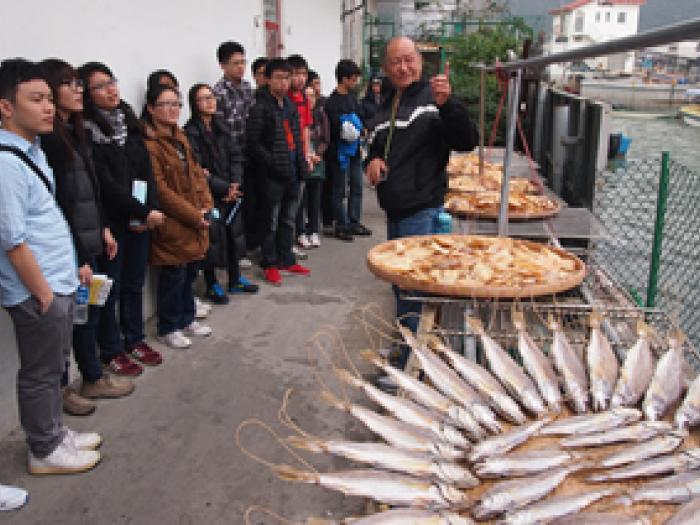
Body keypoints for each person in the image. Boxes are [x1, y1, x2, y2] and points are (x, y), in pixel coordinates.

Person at [0, 58, 101, 474]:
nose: (47, 107)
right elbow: (13, 240)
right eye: (36, 99)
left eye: (47, 98)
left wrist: (72, 267)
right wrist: (42, 292)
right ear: (6, 107)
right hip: (35, 289)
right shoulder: (6, 163)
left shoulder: (33, 150)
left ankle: (55, 432)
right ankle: (44, 449)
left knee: (54, 367)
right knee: (41, 373)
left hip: (57, 280)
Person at [365, 37, 479, 365]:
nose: (403, 67)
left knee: (414, 290)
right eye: (395, 62)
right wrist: (371, 161)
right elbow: (375, 143)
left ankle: (409, 364)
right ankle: (405, 346)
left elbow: (466, 141)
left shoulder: (433, 99)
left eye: (408, 59)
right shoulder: (386, 102)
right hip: (394, 207)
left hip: (422, 208)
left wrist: (449, 104)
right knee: (401, 286)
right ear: (386, 69)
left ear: (419, 61)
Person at [39, 59, 135, 415]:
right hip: (70, 248)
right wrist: (78, 254)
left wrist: (104, 229)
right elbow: (62, 203)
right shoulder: (49, 141)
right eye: (70, 84)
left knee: (90, 311)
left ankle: (93, 376)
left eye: (80, 84)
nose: (78, 90)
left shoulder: (73, 132)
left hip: (91, 237)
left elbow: (88, 192)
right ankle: (69, 386)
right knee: (74, 319)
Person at [78, 62, 165, 375]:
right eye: (100, 86)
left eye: (111, 82)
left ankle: (134, 338)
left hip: (138, 219)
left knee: (134, 283)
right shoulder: (86, 131)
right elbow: (106, 185)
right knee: (107, 291)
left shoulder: (128, 121)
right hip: (112, 223)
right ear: (87, 95)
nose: (110, 90)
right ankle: (111, 350)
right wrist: (141, 211)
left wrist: (147, 210)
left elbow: (145, 171)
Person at [142, 84, 214, 348]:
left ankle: (187, 318)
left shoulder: (180, 137)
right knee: (173, 274)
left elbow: (196, 174)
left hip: (195, 216)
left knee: (189, 270)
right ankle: (168, 326)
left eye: (176, 104)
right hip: (175, 219)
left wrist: (206, 207)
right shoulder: (150, 145)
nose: (173, 110)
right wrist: (193, 215)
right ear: (151, 109)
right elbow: (161, 190)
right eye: (166, 104)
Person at [185, 83, 258, 303]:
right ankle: (212, 283)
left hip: (230, 190)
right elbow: (198, 170)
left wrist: (235, 183)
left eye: (211, 97)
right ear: (194, 104)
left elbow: (236, 156)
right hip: (209, 193)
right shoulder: (191, 132)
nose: (210, 101)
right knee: (212, 238)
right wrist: (222, 187)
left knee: (234, 235)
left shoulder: (222, 126)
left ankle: (235, 279)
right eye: (203, 98)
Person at [246, 58, 310, 286]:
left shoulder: (290, 106)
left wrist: (302, 164)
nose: (284, 82)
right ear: (268, 80)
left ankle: (287, 259)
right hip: (272, 175)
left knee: (288, 219)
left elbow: (299, 138)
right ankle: (269, 263)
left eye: (287, 77)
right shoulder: (259, 107)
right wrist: (271, 162)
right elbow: (252, 143)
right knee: (270, 221)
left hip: (293, 169)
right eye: (279, 78)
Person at [324, 59, 371, 242]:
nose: (355, 83)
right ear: (343, 79)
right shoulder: (332, 102)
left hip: (355, 151)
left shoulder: (352, 99)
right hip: (339, 152)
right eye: (353, 79)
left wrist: (363, 128)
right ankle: (341, 225)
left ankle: (354, 221)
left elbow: (361, 117)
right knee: (338, 190)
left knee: (357, 187)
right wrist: (353, 128)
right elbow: (337, 129)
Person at [296, 84, 329, 248]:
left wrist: (318, 154)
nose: (309, 99)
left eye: (312, 96)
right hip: (302, 161)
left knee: (315, 199)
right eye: (306, 96)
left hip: (317, 161)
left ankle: (313, 230)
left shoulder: (321, 114)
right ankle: (301, 231)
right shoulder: (299, 115)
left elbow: (325, 138)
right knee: (301, 200)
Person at [286, 54, 313, 251]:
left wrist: (307, 153)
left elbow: (306, 128)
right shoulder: (283, 98)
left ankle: (299, 233)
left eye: (303, 74)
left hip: (300, 155)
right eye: (296, 74)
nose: (301, 79)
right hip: (285, 154)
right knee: (287, 202)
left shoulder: (303, 97)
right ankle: (286, 242)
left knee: (299, 198)